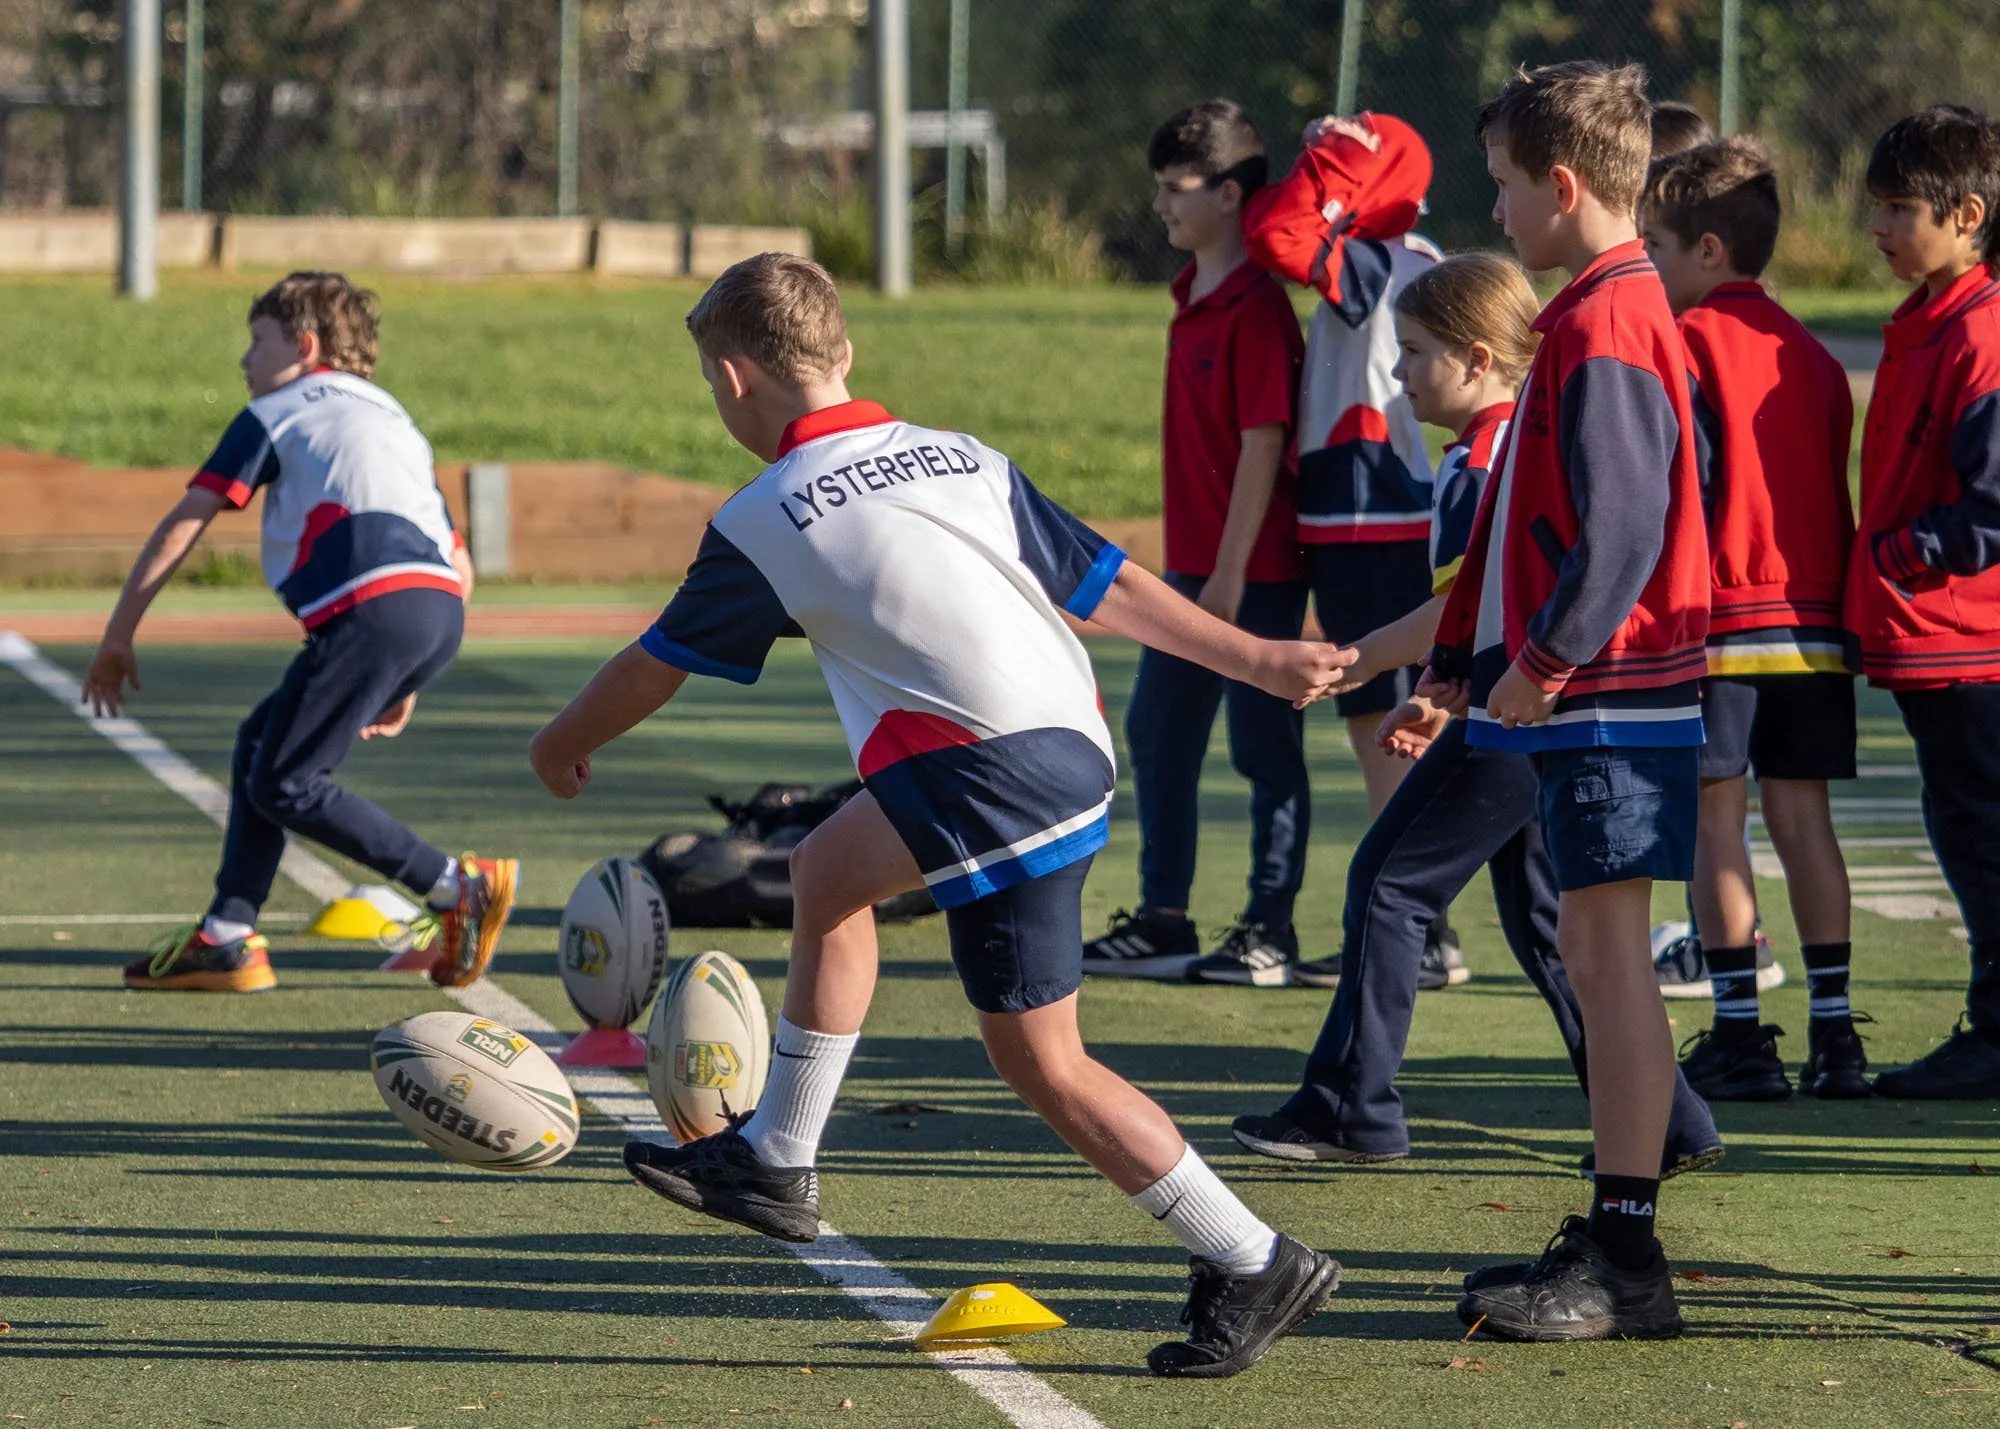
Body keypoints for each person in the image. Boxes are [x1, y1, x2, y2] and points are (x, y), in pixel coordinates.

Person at [529, 254, 1352, 1377]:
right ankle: (781, 1154)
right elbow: (1105, 581)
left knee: (1045, 1064)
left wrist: (560, 741)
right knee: (840, 884)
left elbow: (653, 664)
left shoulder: (766, 511)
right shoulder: (959, 455)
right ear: (844, 353)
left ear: (730, 379)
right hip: (1063, 752)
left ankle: (1253, 1259)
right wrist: (1253, 656)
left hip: (989, 775)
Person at [1232, 252, 1723, 1175]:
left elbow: (1463, 606)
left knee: (1390, 882)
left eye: (1410, 353)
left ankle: (1353, 1107)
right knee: (1551, 923)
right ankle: (1671, 1121)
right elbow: (1478, 605)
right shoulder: (1494, 446)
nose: (1397, 373)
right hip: (1515, 703)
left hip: (1517, 712)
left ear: (1471, 358)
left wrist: (1355, 662)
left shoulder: (1489, 457)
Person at [1437, 62, 1710, 1341]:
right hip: (1597, 687)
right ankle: (1616, 1236)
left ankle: (1627, 1256)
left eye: (1499, 187)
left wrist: (1541, 662)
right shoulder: (1600, 306)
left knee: (1607, 969)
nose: (1492, 213)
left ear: (1558, 187)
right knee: (1600, 965)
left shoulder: (1607, 321)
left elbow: (1624, 528)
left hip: (1608, 690)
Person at [80, 271, 516, 993]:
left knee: (286, 780)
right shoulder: (393, 418)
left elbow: (186, 521)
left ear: (305, 347)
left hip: (370, 610)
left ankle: (454, 884)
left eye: (257, 342)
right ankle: (227, 932)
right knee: (262, 741)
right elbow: (455, 559)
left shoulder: (278, 408)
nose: (246, 361)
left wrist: (119, 632)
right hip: (437, 610)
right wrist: (404, 673)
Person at [1640, 138, 1862, 1101]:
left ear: (1710, 248)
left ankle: (1738, 1033)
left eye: (1655, 242)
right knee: (1805, 816)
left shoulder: (1684, 341)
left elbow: (1681, 490)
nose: (1645, 259)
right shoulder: (1812, 353)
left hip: (1724, 618)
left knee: (1714, 821)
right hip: (1815, 619)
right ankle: (1836, 1032)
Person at [1080, 100, 1311, 985]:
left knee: (1262, 748)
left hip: (1248, 574)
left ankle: (1269, 928)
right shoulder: (1191, 301)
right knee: (1159, 729)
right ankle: (1165, 918)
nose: (1162, 207)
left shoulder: (1257, 307)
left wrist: (1228, 577)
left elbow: (1265, 446)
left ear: (1226, 192)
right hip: (1197, 570)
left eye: (1176, 191)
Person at [1236, 109, 1465, 988]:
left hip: (1373, 518)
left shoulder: (1378, 260)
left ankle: (1421, 933)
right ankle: (1425, 925)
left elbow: (1274, 231)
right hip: (1377, 516)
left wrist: (1339, 161)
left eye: (1329, 164)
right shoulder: (1407, 255)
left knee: (1384, 731)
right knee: (1396, 724)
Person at [1847, 105, 2000, 1099]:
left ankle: (1992, 1033)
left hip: (1969, 639)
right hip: (1929, 635)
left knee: (1982, 831)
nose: (1879, 228)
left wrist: (1904, 552)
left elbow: (1990, 510)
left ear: (1966, 212)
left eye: (1899, 209)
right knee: (1964, 824)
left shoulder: (1979, 336)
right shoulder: (1924, 318)